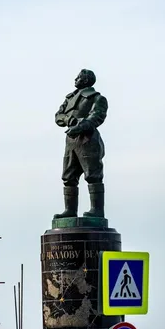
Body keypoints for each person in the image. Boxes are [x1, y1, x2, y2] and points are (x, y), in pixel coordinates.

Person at [54, 69, 108, 219]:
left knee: (93, 175)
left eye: (78, 77)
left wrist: (80, 126)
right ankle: (70, 210)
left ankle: (97, 210)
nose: (75, 79)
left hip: (88, 140)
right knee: (68, 176)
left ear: (85, 80)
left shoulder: (97, 98)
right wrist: (68, 120)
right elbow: (58, 115)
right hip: (71, 140)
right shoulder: (70, 98)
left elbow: (97, 116)